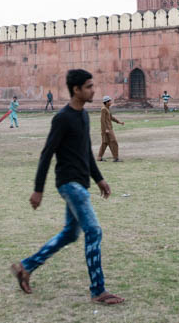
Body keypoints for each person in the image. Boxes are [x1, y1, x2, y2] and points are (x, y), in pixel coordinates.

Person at [10, 69, 124, 306]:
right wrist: (38, 189)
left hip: (81, 182)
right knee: (94, 231)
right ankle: (98, 290)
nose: (93, 90)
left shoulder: (83, 116)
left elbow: (86, 153)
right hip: (69, 184)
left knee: (71, 234)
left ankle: (25, 267)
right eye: (89, 86)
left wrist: (99, 179)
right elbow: (47, 153)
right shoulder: (62, 118)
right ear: (76, 89)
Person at [97, 95, 124, 162]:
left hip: (108, 129)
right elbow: (102, 120)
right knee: (114, 142)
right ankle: (116, 158)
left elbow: (111, 117)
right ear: (106, 102)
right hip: (107, 130)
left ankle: (99, 158)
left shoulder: (107, 109)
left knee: (105, 143)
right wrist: (105, 129)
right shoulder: (103, 109)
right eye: (109, 101)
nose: (111, 102)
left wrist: (119, 122)